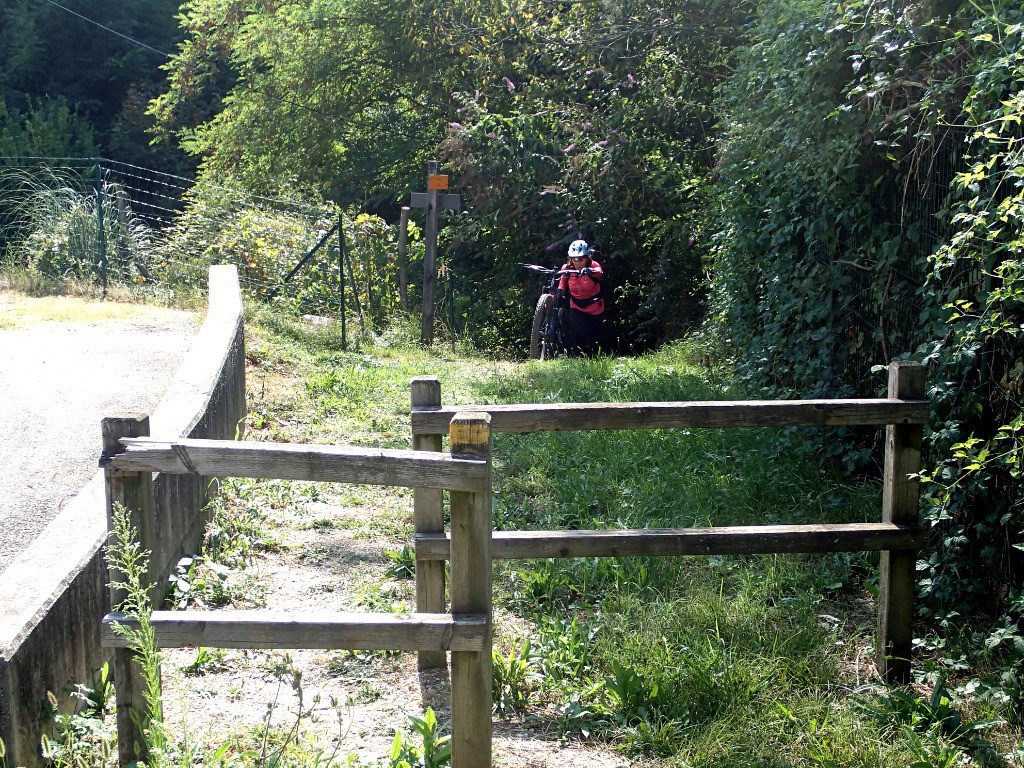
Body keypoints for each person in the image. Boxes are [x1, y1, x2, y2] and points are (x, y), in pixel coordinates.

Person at [558, 239, 605, 356]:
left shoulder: (593, 265)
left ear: (587, 258)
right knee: (579, 332)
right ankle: (579, 358)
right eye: (574, 259)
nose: (577, 262)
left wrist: (590, 271)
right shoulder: (567, 268)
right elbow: (562, 284)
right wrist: (559, 293)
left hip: (595, 307)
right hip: (576, 306)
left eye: (581, 259)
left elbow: (599, 272)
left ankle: (594, 358)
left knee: (594, 336)